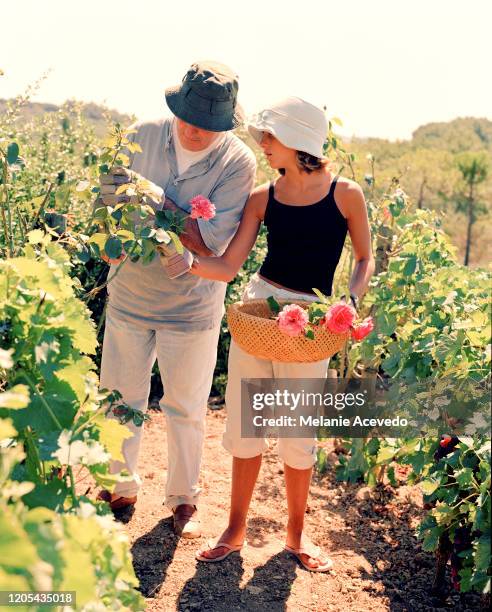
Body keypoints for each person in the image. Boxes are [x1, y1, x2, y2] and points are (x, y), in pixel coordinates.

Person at [190, 97, 375, 570]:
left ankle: (296, 535)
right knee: (246, 424)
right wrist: (185, 258)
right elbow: (230, 265)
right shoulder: (261, 196)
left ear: (297, 141)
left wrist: (349, 303)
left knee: (297, 432)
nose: (264, 146)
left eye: (270, 138)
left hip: (313, 319)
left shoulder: (345, 194)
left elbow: (363, 259)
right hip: (262, 310)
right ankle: (235, 528)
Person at [96, 61, 256, 539]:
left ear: (225, 123)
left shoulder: (237, 163)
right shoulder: (138, 137)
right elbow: (105, 210)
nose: (194, 130)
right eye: (187, 118)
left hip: (192, 308)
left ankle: (183, 497)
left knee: (185, 406)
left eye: (207, 125)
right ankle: (118, 486)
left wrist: (153, 201)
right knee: (121, 399)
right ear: (174, 107)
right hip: (130, 296)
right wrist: (112, 224)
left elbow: (208, 243)